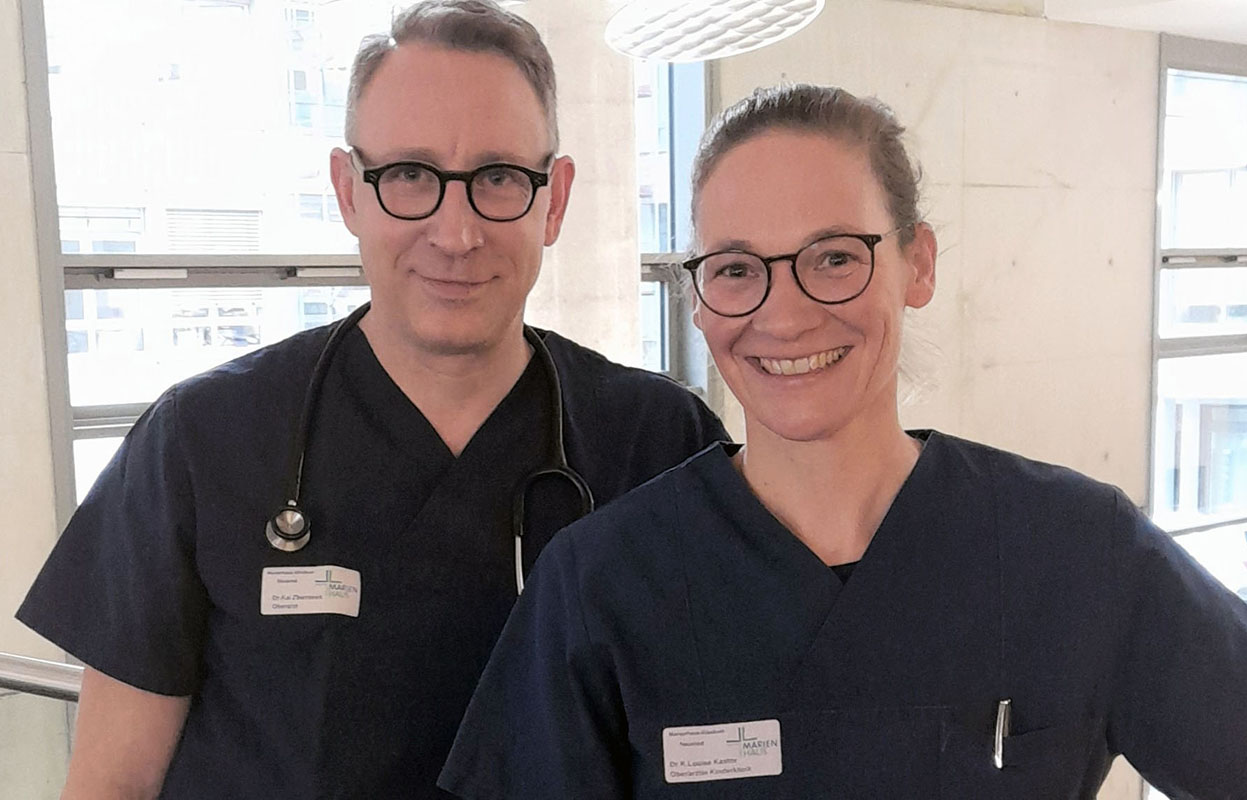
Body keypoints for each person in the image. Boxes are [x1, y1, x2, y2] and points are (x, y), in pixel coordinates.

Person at [440, 84, 1247, 799]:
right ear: (698, 301)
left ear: (918, 265)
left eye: (834, 258)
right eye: (735, 268)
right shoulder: (602, 585)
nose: (785, 312)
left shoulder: (1077, 551)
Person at [16, 2, 726, 797]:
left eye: (498, 178)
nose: (455, 233)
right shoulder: (201, 442)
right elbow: (113, 784)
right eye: (410, 176)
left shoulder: (659, 443)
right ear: (348, 192)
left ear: (553, 200)